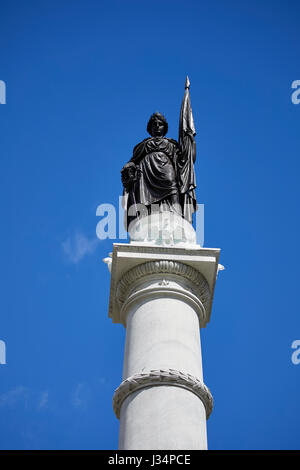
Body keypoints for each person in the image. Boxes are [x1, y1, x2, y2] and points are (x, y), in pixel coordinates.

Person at [121, 111, 197, 230]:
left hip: (166, 169)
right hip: (145, 174)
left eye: (160, 124)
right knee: (145, 199)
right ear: (150, 128)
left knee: (173, 190)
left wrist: (189, 140)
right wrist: (128, 166)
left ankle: (176, 218)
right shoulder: (142, 145)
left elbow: (185, 160)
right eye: (154, 124)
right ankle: (146, 220)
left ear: (164, 127)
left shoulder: (172, 144)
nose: (157, 126)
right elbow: (133, 161)